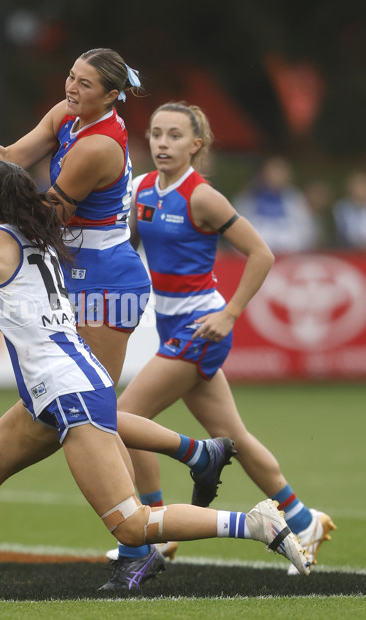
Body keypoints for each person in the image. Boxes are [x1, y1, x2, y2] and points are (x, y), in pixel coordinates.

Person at [0, 160, 310, 597]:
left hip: (67, 390)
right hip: (57, 386)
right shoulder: (34, 229)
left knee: (131, 523)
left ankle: (255, 523)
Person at [109, 102, 335, 576]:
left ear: (196, 145)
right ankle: (302, 518)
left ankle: (158, 529)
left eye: (174, 135)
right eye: (156, 134)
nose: (162, 143)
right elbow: (123, 246)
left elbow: (261, 254)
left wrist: (230, 314)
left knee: (124, 419)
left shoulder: (202, 196)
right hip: (171, 328)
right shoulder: (141, 189)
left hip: (202, 327)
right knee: (232, 436)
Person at [0, 47, 151, 385]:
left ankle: (195, 444)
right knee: (71, 405)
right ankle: (198, 444)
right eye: (71, 76)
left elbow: (44, 222)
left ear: (111, 95)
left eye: (84, 84)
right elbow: (7, 163)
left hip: (106, 280)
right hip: (74, 266)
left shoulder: (96, 147)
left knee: (91, 407)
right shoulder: (67, 114)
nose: (71, 88)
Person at [232, 155, 319, 253]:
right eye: (273, 171)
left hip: (290, 256)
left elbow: (306, 231)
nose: (276, 176)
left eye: (280, 172)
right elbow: (237, 233)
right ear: (263, 173)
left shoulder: (295, 199)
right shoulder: (247, 199)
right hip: (255, 256)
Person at [332, 170, 366, 248]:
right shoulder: (341, 207)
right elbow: (345, 232)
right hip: (349, 249)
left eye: (361, 185)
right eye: (355, 185)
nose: (358, 189)